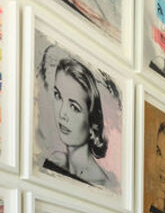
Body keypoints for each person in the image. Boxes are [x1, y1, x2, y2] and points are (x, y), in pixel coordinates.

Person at [42, 56, 115, 189]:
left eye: (74, 107)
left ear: (92, 122)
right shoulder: (55, 160)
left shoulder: (101, 184)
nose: (62, 114)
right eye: (58, 96)